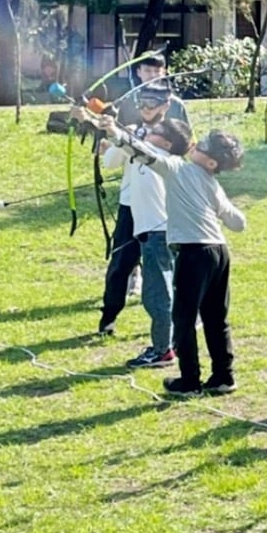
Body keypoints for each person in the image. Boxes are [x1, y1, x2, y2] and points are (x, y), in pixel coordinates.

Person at [96, 114, 246, 396]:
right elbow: (238, 223)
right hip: (220, 252)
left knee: (184, 318)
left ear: (212, 162)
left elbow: (141, 152)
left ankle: (189, 381)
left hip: (194, 253)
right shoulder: (213, 184)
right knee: (216, 317)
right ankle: (224, 377)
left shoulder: (177, 168)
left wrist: (115, 132)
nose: (196, 145)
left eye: (203, 146)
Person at [95, 85, 180, 366]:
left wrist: (120, 136)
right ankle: (113, 318)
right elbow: (109, 162)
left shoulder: (170, 137)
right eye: (142, 103)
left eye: (153, 104)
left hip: (160, 222)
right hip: (138, 214)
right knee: (131, 270)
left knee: (159, 288)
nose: (146, 109)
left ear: (166, 105)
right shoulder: (135, 131)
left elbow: (147, 151)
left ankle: (165, 347)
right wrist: (113, 135)